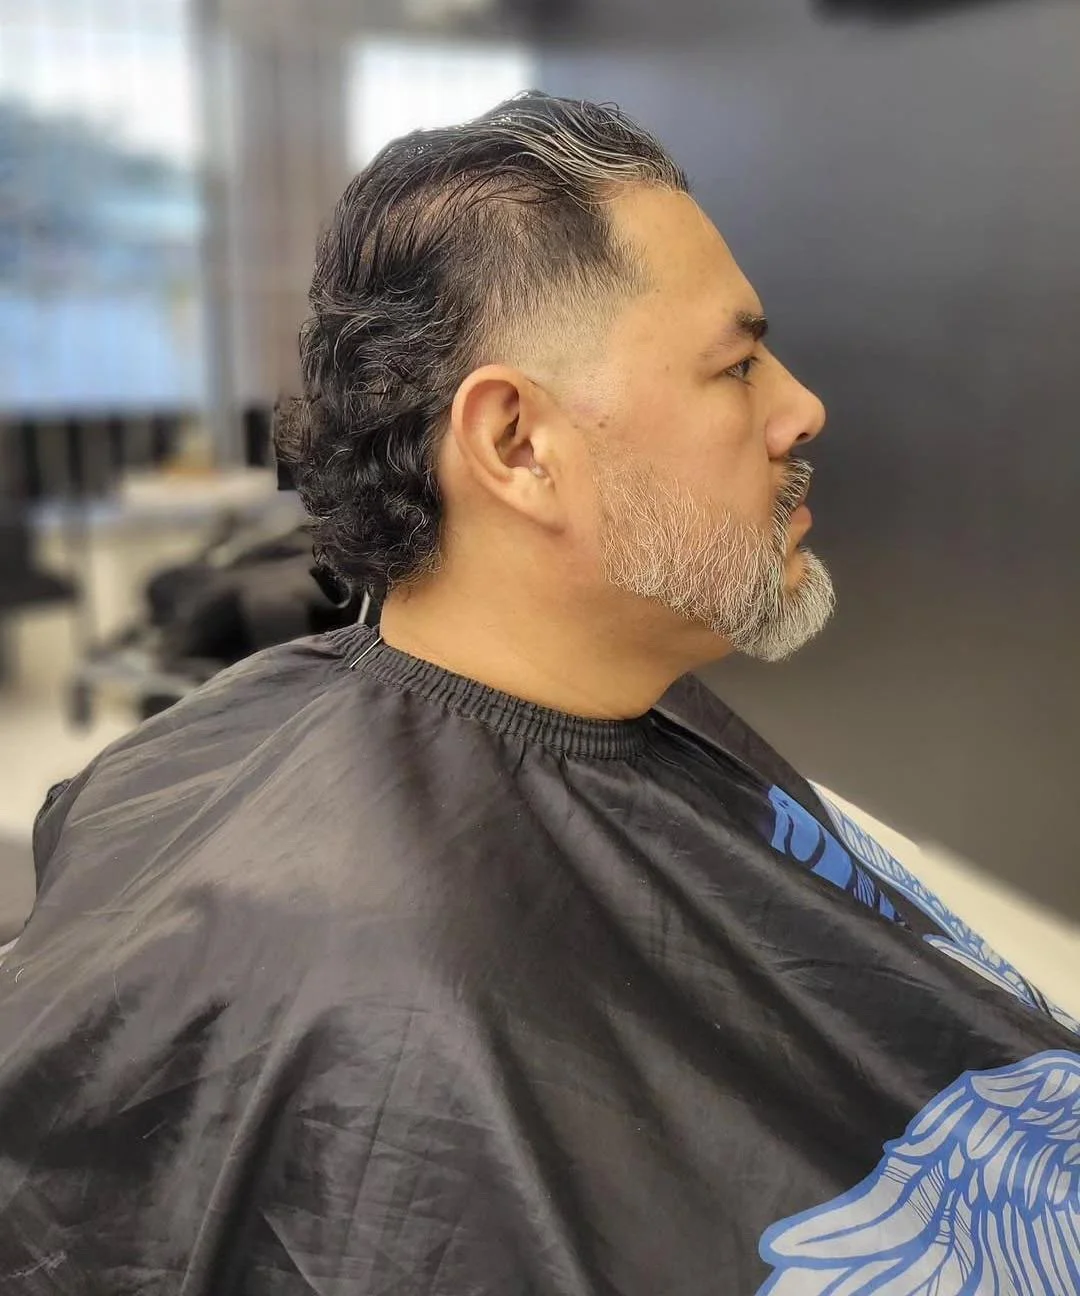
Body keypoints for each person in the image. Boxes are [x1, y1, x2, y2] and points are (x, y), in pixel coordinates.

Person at [0, 94, 1076, 1296]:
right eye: (737, 363)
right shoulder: (394, 1001)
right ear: (517, 443)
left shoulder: (636, 714)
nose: (800, 407)